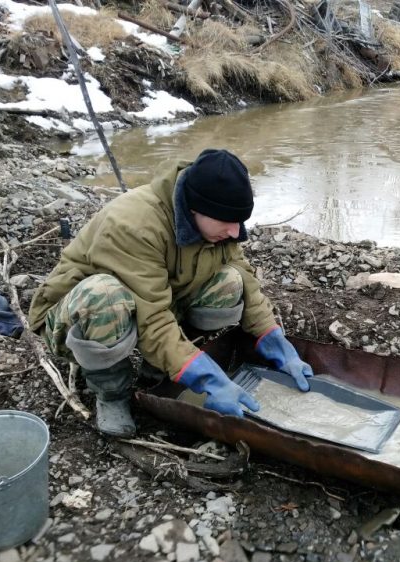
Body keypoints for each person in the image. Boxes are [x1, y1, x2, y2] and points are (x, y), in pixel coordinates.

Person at [28, 148, 313, 438]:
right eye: (227, 222)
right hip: (77, 319)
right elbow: (152, 319)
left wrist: (272, 337)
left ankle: (158, 371)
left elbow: (246, 281)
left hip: (148, 304)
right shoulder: (134, 224)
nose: (234, 232)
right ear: (194, 209)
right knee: (104, 295)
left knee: (230, 281)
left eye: (239, 221)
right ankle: (111, 393)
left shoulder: (219, 224)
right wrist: (207, 377)